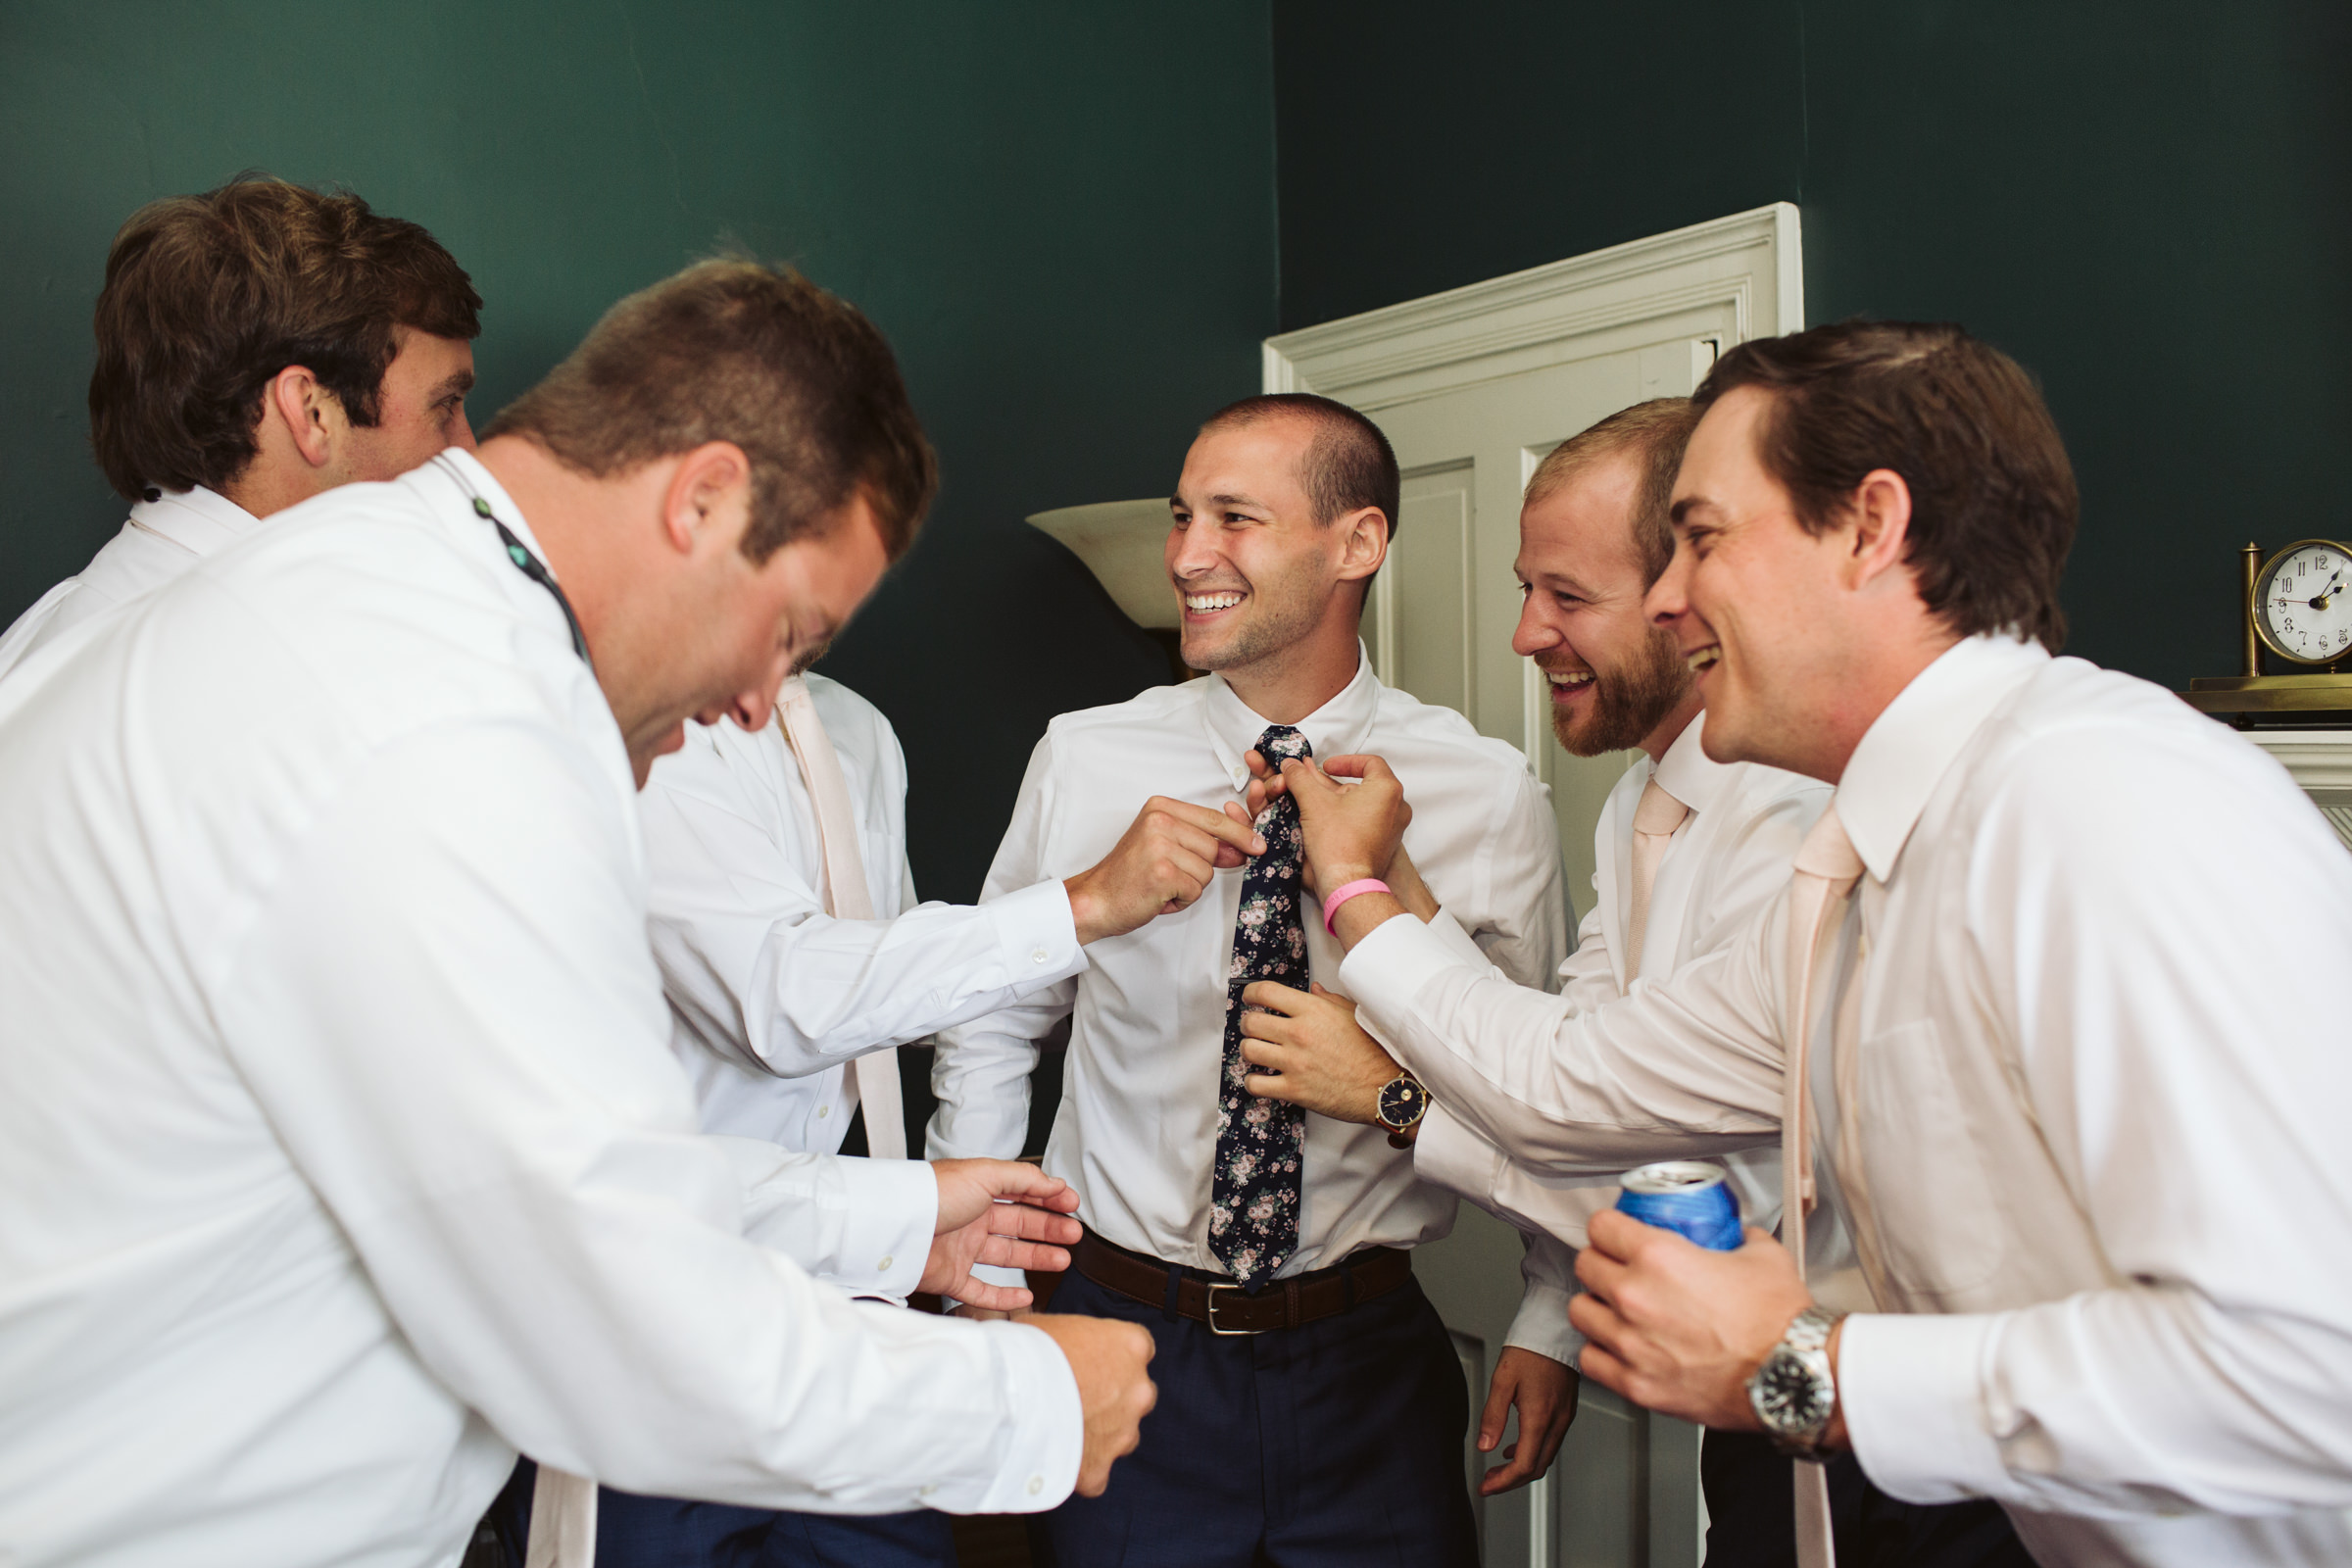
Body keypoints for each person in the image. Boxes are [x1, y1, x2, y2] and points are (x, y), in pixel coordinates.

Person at [0, 258, 1163, 1568]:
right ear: (705, 497)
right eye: (790, 633)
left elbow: (519, 1171)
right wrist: (1031, 1405)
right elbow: (610, 1322)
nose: (753, 703)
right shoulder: (445, 713)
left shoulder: (359, 595)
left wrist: (891, 1220)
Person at [1266, 323, 2352, 1566]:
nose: (1670, 598)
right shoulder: (1861, 857)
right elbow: (1571, 1079)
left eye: (1707, 538)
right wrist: (1358, 892)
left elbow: (2313, 1368)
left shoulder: (2098, 804)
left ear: (1869, 529)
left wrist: (1805, 1368)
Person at [1235, 396, 2031, 1566]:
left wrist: (1384, 1048)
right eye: (1526, 588)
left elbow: (1623, 1132)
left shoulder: (1818, 815)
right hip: (1782, 1418)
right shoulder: (1640, 804)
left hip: (1939, 1434)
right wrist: (1398, 885)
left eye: (1569, 595)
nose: (1525, 633)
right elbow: (1572, 1051)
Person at [927, 393, 1579, 1567]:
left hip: (1365, 1363)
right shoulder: (1086, 756)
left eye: (1234, 518)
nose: (1185, 556)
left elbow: (1546, 1074)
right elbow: (989, 1017)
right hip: (1126, 1340)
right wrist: (986, 1261)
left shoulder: (1487, 792)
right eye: (1183, 517)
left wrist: (1550, 1312)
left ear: (1358, 543)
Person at [589, 650, 1271, 1568]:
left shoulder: (859, 734)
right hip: (658, 1323)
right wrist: (1082, 906)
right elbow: (789, 1000)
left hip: (859, 1304)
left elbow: (895, 987)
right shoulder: (640, 726)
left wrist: (938, 1235)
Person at [0, 174, 481, 678]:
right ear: (311, 411)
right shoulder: (261, 668)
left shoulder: (60, 631)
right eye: (446, 405)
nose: (469, 450)